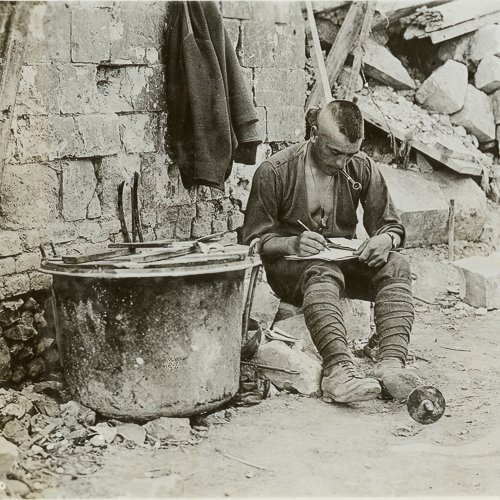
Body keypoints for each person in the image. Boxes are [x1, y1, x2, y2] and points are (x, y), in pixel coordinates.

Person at [241, 100, 421, 403]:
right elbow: (254, 242)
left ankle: (390, 365)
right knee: (322, 269)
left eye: (349, 153)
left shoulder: (359, 165)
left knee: (397, 265)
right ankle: (339, 371)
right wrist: (291, 243)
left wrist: (386, 240)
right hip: (290, 269)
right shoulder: (275, 171)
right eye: (334, 152)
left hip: (339, 263)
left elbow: (391, 225)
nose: (341, 162)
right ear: (314, 134)